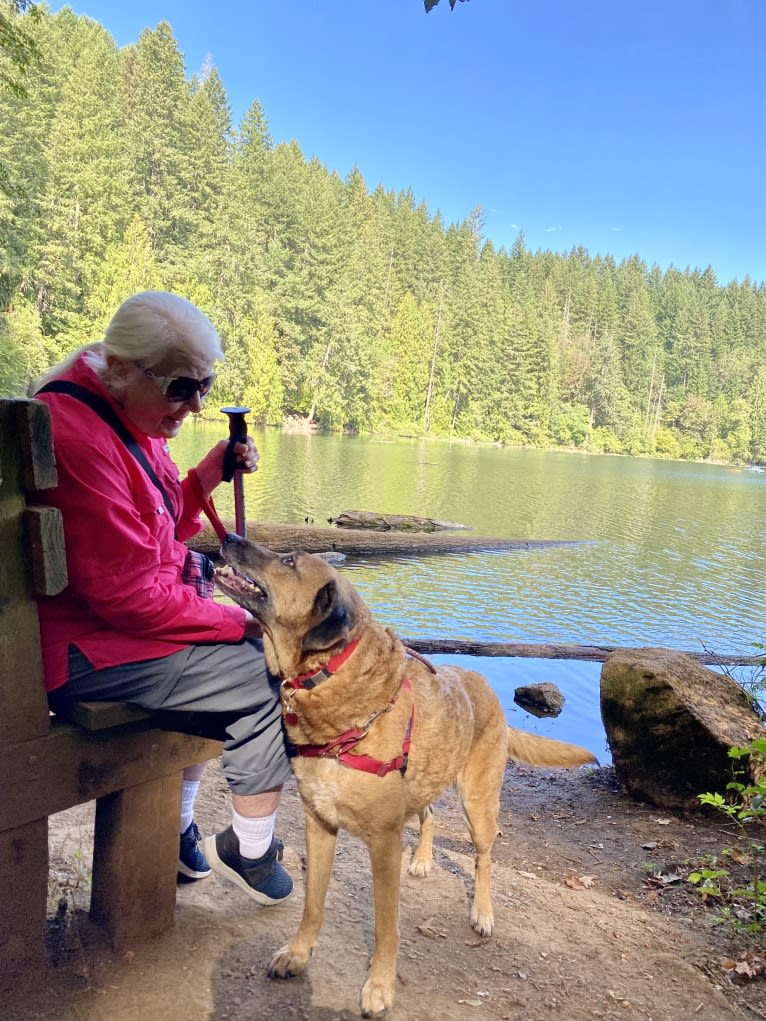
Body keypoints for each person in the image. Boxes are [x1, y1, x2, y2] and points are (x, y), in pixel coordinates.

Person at [34, 290, 293, 904]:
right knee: (265, 673)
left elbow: (156, 528)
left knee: (235, 660)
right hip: (86, 653)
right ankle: (251, 846)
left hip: (104, 632)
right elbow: (130, 595)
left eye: (204, 386)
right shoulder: (82, 437)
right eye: (181, 387)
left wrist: (209, 473)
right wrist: (241, 626)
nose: (196, 405)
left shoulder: (118, 408)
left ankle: (176, 829)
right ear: (122, 366)